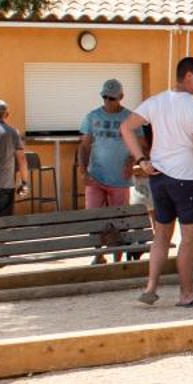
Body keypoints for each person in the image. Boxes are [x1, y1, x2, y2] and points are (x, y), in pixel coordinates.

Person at [124, 57, 193, 308]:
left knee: (162, 234)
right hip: (186, 176)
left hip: (159, 177)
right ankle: (187, 293)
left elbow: (125, 127)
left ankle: (151, 286)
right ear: (188, 76)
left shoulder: (155, 101)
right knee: (189, 238)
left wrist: (142, 159)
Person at [78, 78, 134, 263]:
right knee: (94, 218)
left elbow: (141, 146)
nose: (108, 101)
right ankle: (97, 255)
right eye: (105, 97)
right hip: (96, 176)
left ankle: (117, 258)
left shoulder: (130, 118)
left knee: (119, 220)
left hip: (119, 179)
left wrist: (130, 161)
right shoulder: (92, 117)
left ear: (121, 97)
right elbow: (84, 146)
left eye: (112, 98)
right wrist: (83, 171)